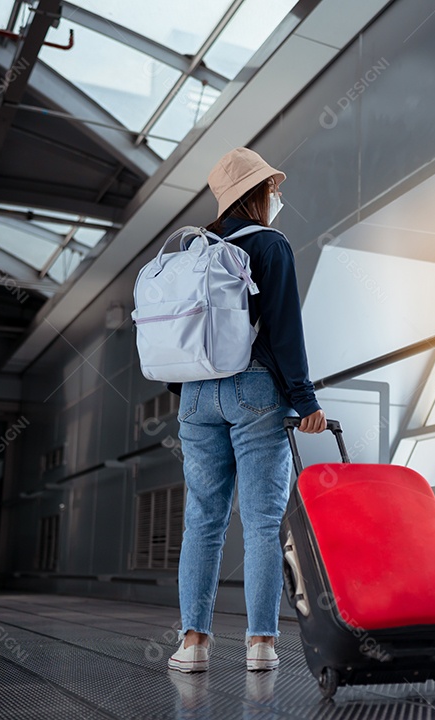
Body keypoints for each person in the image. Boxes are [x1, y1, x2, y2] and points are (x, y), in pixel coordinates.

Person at [167, 148, 326, 674]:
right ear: (257, 194)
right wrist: (305, 400)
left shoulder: (192, 247)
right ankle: (261, 644)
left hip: (194, 393)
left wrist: (185, 389)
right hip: (254, 389)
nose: (278, 196)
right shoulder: (269, 244)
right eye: (273, 189)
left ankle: (193, 644)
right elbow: (285, 331)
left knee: (201, 523)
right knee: (261, 523)